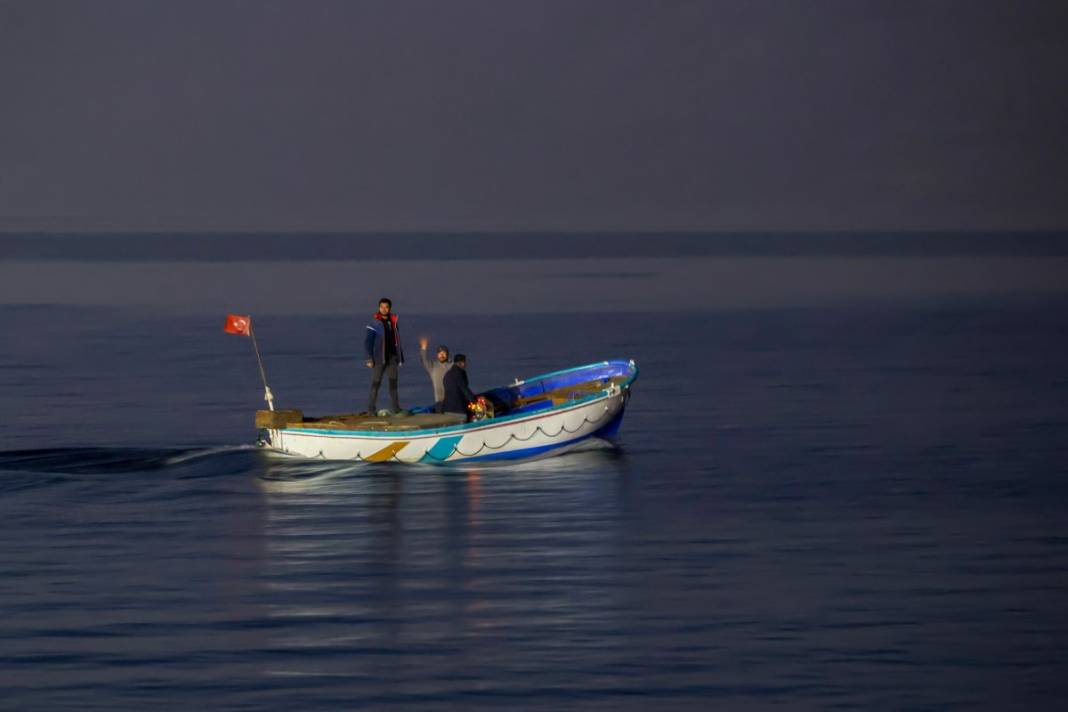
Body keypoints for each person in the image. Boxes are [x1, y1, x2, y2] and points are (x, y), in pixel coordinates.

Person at [364, 297, 405, 414]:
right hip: (379, 359)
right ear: (379, 308)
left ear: (389, 308)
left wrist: (400, 357)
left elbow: (397, 341)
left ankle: (396, 408)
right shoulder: (374, 323)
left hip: (392, 358)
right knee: (376, 384)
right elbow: (368, 342)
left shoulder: (394, 322)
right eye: (382, 307)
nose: (384, 309)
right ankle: (371, 410)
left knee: (393, 384)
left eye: (386, 307)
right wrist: (369, 358)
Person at [419, 338, 452, 412]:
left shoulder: (452, 365)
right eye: (440, 353)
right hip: (439, 401)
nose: (442, 355)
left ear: (447, 354)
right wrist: (423, 349)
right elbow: (424, 360)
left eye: (444, 353)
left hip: (453, 399)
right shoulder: (432, 366)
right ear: (437, 355)